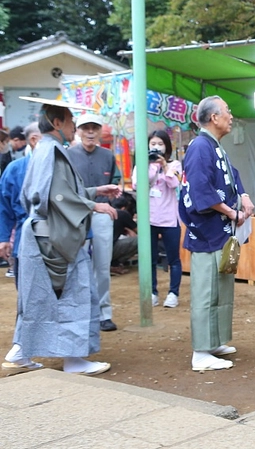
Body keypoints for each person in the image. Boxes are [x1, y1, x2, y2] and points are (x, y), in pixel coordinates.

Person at [9, 99, 120, 375]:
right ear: (57, 123)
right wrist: (95, 205)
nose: (73, 128)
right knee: (75, 293)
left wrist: (95, 192)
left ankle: (20, 350)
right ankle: (74, 359)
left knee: (37, 298)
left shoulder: (41, 150)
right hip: (56, 236)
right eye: (71, 122)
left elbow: (39, 195)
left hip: (39, 234)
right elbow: (58, 197)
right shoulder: (54, 151)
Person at [179, 96, 254, 371]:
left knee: (221, 289)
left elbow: (233, 175)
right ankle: (200, 352)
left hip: (221, 231)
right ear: (213, 117)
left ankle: (214, 341)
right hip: (207, 232)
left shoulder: (214, 146)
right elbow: (200, 190)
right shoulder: (200, 147)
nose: (231, 116)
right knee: (205, 291)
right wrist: (232, 212)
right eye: (227, 111)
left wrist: (243, 196)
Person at [66, 113, 122, 332]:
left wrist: (115, 192)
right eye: (85, 128)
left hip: (101, 213)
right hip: (75, 214)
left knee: (102, 265)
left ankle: (103, 313)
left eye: (94, 128)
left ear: (100, 131)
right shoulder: (68, 155)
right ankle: (81, 312)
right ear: (78, 130)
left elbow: (115, 180)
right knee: (77, 265)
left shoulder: (107, 156)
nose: (90, 132)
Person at [0, 123, 43, 371]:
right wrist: (4, 237)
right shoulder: (16, 168)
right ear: (35, 140)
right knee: (27, 297)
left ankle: (24, 348)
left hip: (45, 238)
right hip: (25, 236)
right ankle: (20, 348)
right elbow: (4, 204)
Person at [132, 130, 182, 307]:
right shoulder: (141, 164)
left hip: (170, 219)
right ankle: (152, 292)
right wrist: (151, 167)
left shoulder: (175, 164)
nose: (156, 147)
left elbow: (174, 184)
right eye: (153, 144)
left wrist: (165, 167)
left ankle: (173, 293)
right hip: (149, 220)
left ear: (167, 146)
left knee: (173, 258)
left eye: (160, 144)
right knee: (150, 258)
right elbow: (138, 185)